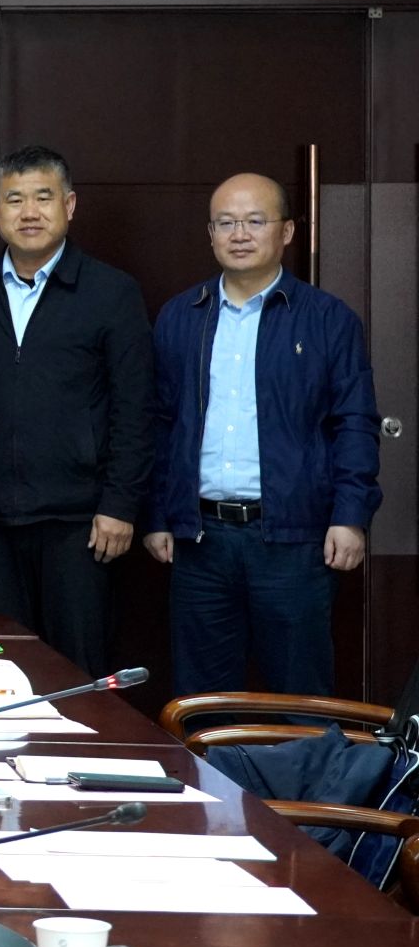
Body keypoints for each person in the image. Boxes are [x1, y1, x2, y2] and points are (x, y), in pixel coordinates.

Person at [145, 173, 378, 698]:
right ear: (210, 234)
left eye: (255, 221)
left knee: (300, 695)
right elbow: (160, 422)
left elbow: (355, 422)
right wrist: (159, 514)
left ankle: (302, 761)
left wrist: (350, 516)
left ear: (287, 231)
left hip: (293, 538)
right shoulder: (181, 316)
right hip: (200, 540)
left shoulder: (327, 319)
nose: (240, 234)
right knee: (203, 702)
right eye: (226, 223)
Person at [0, 145, 152, 674]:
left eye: (43, 197)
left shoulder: (111, 291)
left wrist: (120, 504)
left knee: (74, 670)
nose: (30, 212)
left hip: (79, 522)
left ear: (69, 205)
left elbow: (134, 407)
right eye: (15, 200)